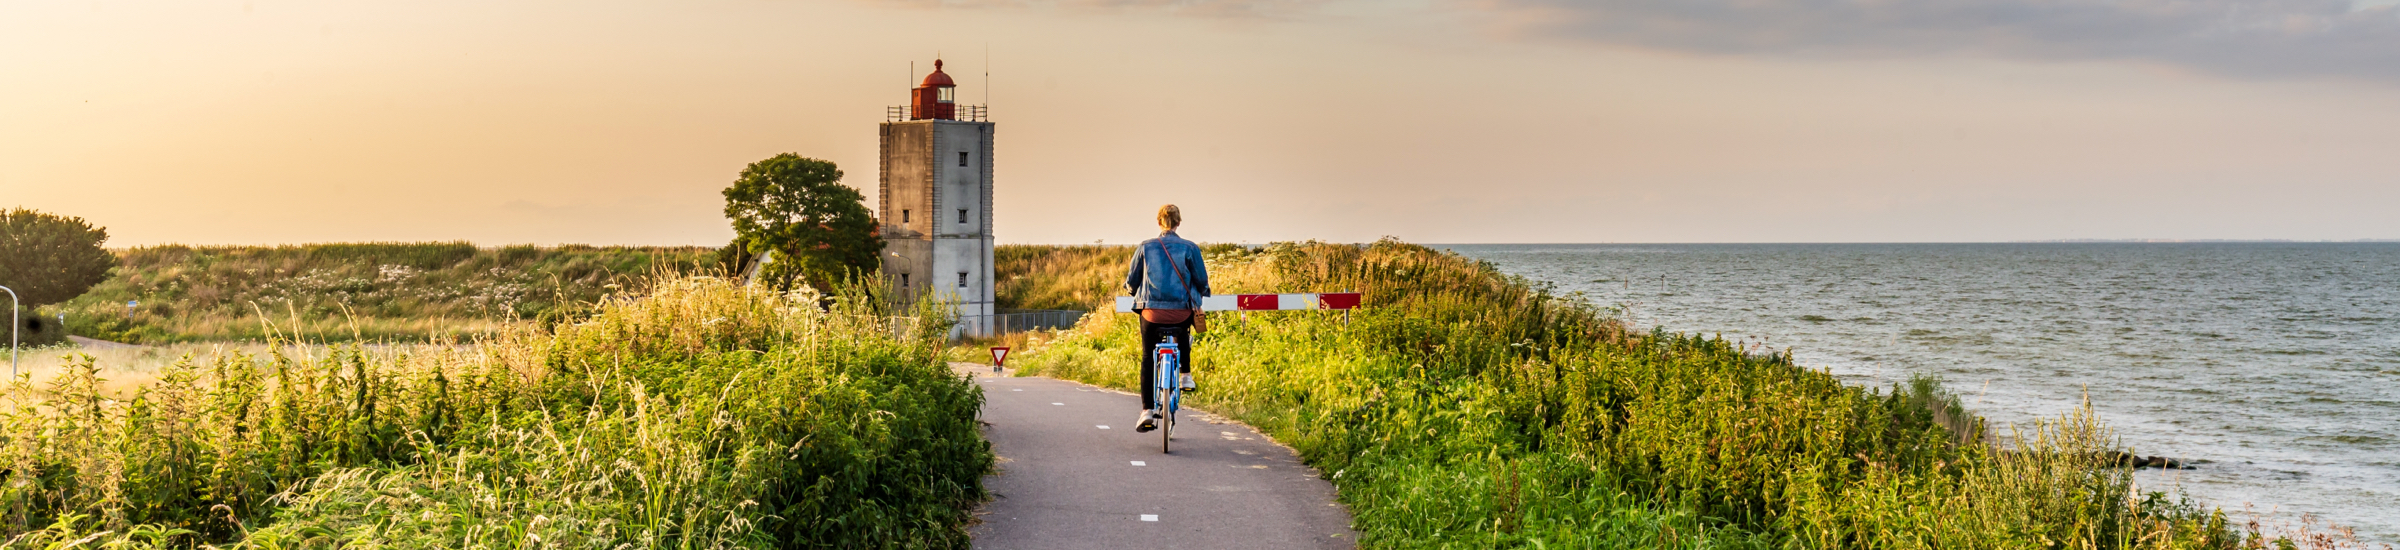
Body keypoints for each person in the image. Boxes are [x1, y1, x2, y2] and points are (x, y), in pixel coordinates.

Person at [1126, 204, 1209, 433]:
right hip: (1181, 313)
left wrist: (1134, 291)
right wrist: (1201, 292)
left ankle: (1146, 411)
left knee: (1147, 355)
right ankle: (1186, 376)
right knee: (1183, 330)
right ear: (1179, 222)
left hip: (1151, 314)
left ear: (1158, 222)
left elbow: (1132, 281)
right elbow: (1202, 281)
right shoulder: (1190, 248)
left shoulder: (1145, 247)